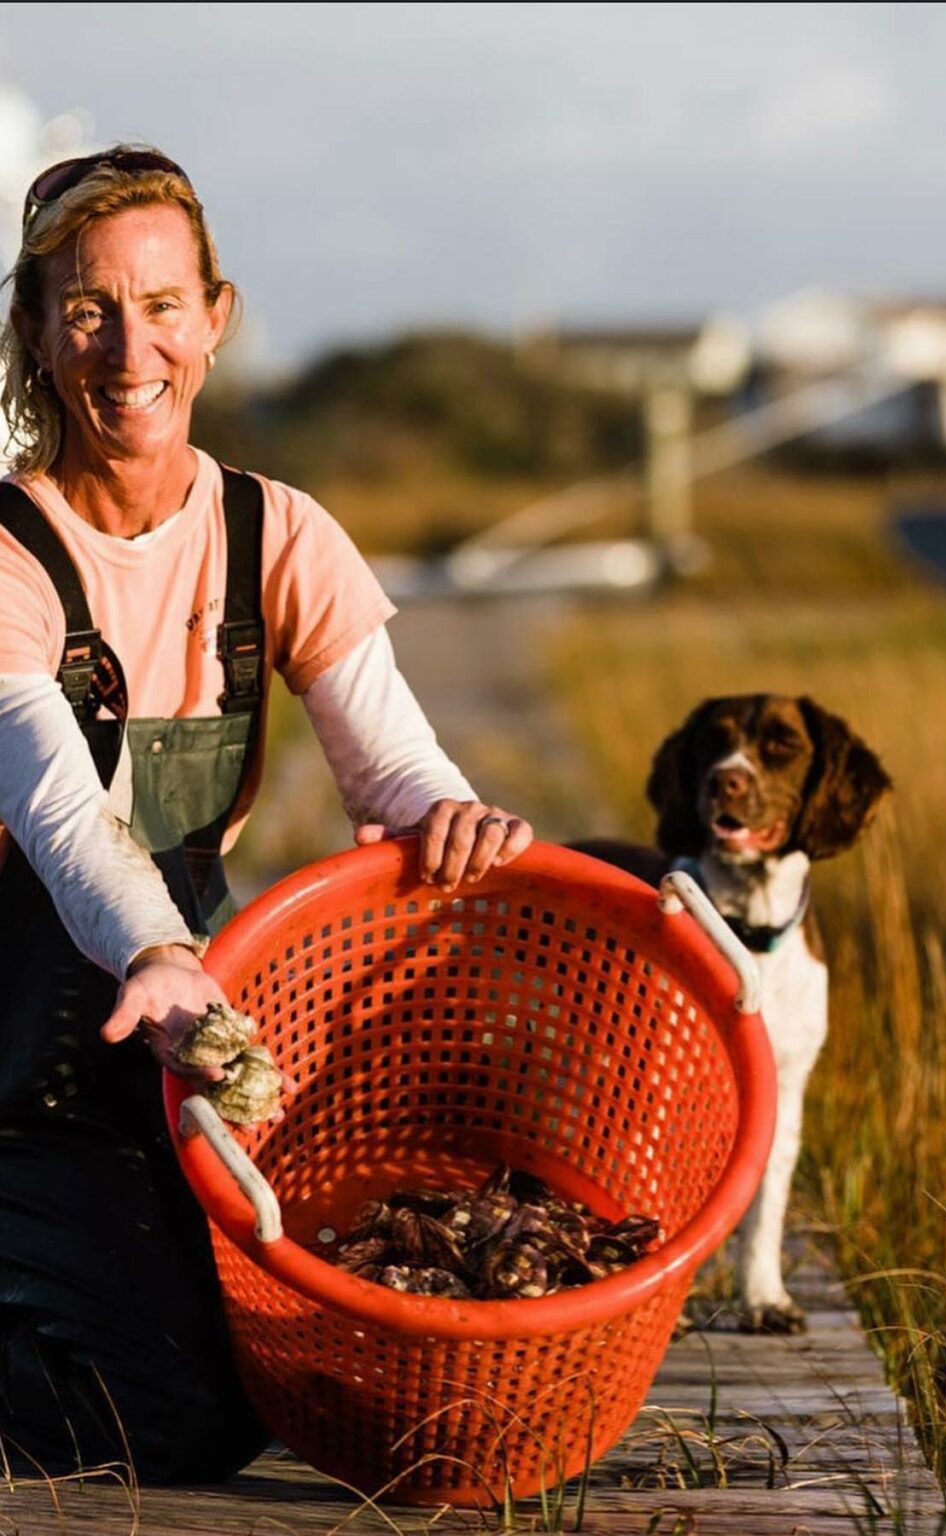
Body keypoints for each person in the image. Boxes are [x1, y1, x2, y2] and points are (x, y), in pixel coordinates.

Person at [0, 145, 533, 1482]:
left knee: (280, 1369)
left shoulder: (275, 534)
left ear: (215, 318)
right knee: (183, 1425)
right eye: (87, 309)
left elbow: (395, 770)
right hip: (19, 1048)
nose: (131, 349)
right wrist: (158, 952)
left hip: (181, 1029)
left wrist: (455, 821)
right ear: (31, 330)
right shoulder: (7, 551)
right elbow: (61, 817)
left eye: (163, 305)